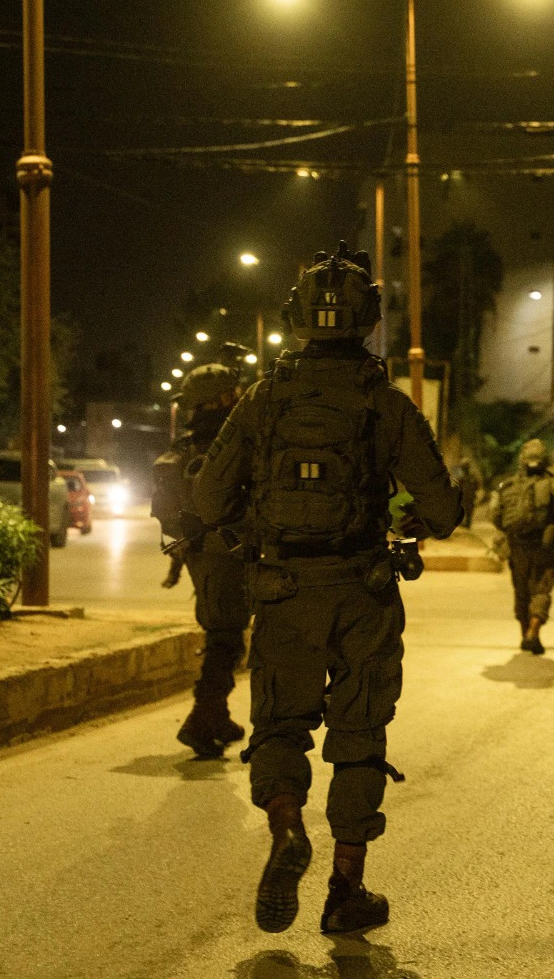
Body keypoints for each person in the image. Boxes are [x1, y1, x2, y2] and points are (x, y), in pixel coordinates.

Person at [193, 242, 463, 936]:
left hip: (283, 588)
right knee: (359, 732)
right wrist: (409, 520)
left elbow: (208, 496)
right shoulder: (385, 402)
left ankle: (287, 825)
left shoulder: (264, 398)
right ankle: (346, 890)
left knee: (279, 725)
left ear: (297, 318)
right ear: (368, 320)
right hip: (361, 590)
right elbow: (442, 509)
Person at [151, 361, 250, 758]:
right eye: (233, 394)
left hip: (200, 554)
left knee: (222, 634)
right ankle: (201, 718)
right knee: (227, 638)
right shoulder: (229, 445)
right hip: (228, 552)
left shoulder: (184, 447)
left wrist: (180, 561)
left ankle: (217, 716)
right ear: (222, 399)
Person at [493, 438, 554, 654]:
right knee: (541, 590)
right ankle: (533, 631)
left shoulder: (508, 485)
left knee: (521, 592)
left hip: (516, 547)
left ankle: (526, 636)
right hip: (544, 546)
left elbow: (496, 517)